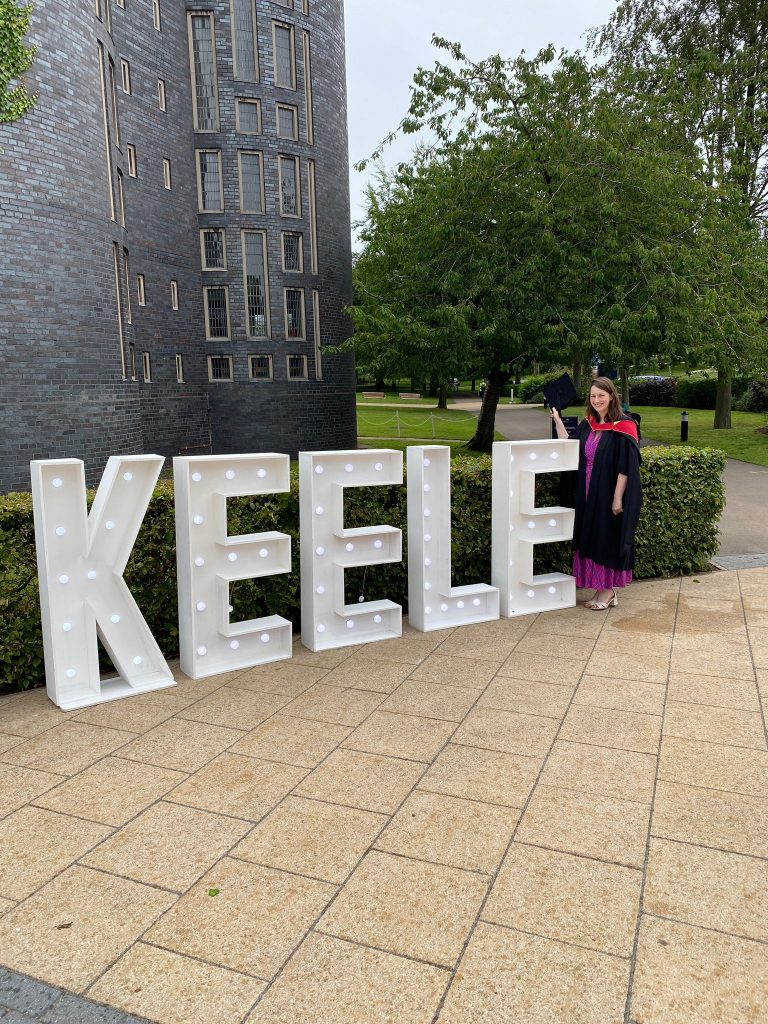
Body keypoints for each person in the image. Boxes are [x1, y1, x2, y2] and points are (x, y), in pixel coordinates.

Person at [551, 377, 642, 610]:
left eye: (601, 395)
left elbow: (626, 467)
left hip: (608, 491)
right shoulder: (589, 424)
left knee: (605, 537)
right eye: (593, 396)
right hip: (587, 491)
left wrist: (617, 497)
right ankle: (600, 589)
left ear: (612, 396)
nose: (597, 400)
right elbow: (569, 446)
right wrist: (558, 421)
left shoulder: (624, 425)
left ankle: (608, 590)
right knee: (590, 536)